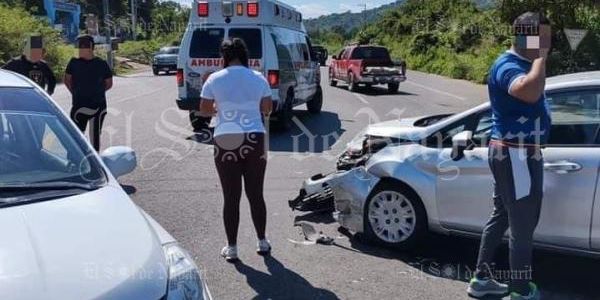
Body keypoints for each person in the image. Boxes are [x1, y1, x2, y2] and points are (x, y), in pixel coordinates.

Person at [467, 12, 551, 300]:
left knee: (503, 215)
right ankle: (519, 290)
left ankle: (482, 280)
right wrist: (541, 55)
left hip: (513, 152)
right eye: (542, 37)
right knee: (523, 225)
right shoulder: (508, 65)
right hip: (517, 155)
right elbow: (527, 92)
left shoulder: (519, 63)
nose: (546, 43)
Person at [199, 38, 273, 262]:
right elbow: (267, 109)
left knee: (231, 197)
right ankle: (262, 241)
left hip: (225, 138)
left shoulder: (214, 78)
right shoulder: (258, 77)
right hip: (254, 138)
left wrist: (219, 108)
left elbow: (203, 110)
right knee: (256, 194)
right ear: (245, 56)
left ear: (224, 57)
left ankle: (232, 248)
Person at [64, 35, 113, 152]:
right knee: (76, 134)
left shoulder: (101, 64)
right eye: (80, 46)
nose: (82, 48)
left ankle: (95, 159)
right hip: (79, 105)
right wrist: (76, 92)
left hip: (98, 105)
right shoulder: (73, 63)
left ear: (92, 48)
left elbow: (109, 83)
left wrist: (96, 92)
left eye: (85, 46)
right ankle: (74, 158)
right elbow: (67, 80)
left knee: (95, 135)